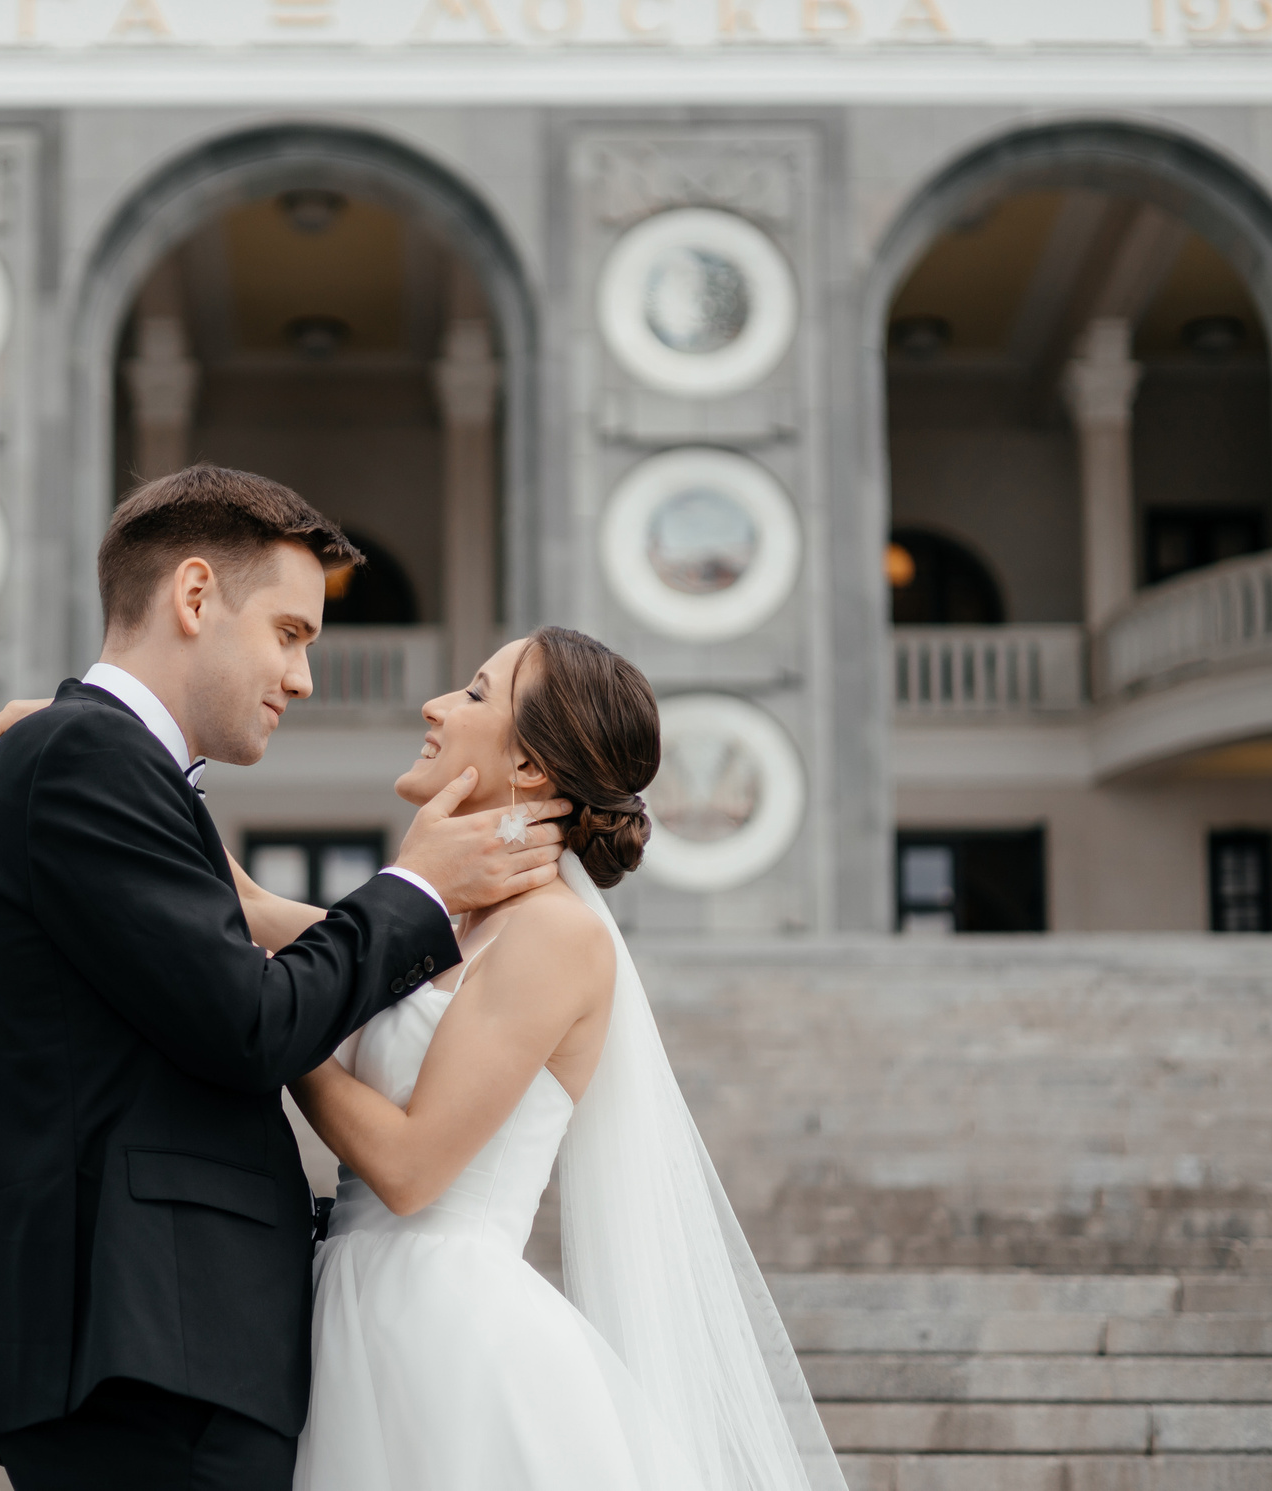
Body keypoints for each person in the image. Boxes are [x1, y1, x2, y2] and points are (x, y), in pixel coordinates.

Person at [0, 465, 573, 1491]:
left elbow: (226, 960)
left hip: (172, 1347)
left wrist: (400, 899)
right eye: (289, 634)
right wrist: (409, 885)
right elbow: (250, 1025)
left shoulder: (101, 763)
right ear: (194, 597)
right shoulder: (84, 758)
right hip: (149, 1349)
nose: (304, 678)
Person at [243, 627, 848, 1491]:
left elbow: (413, 1169)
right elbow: (248, 901)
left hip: (447, 1329)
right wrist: (81, 735)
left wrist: (270, 1021)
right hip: (356, 1304)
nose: (437, 704)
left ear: (530, 767)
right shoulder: (443, 919)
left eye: (476, 693)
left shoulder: (553, 935)